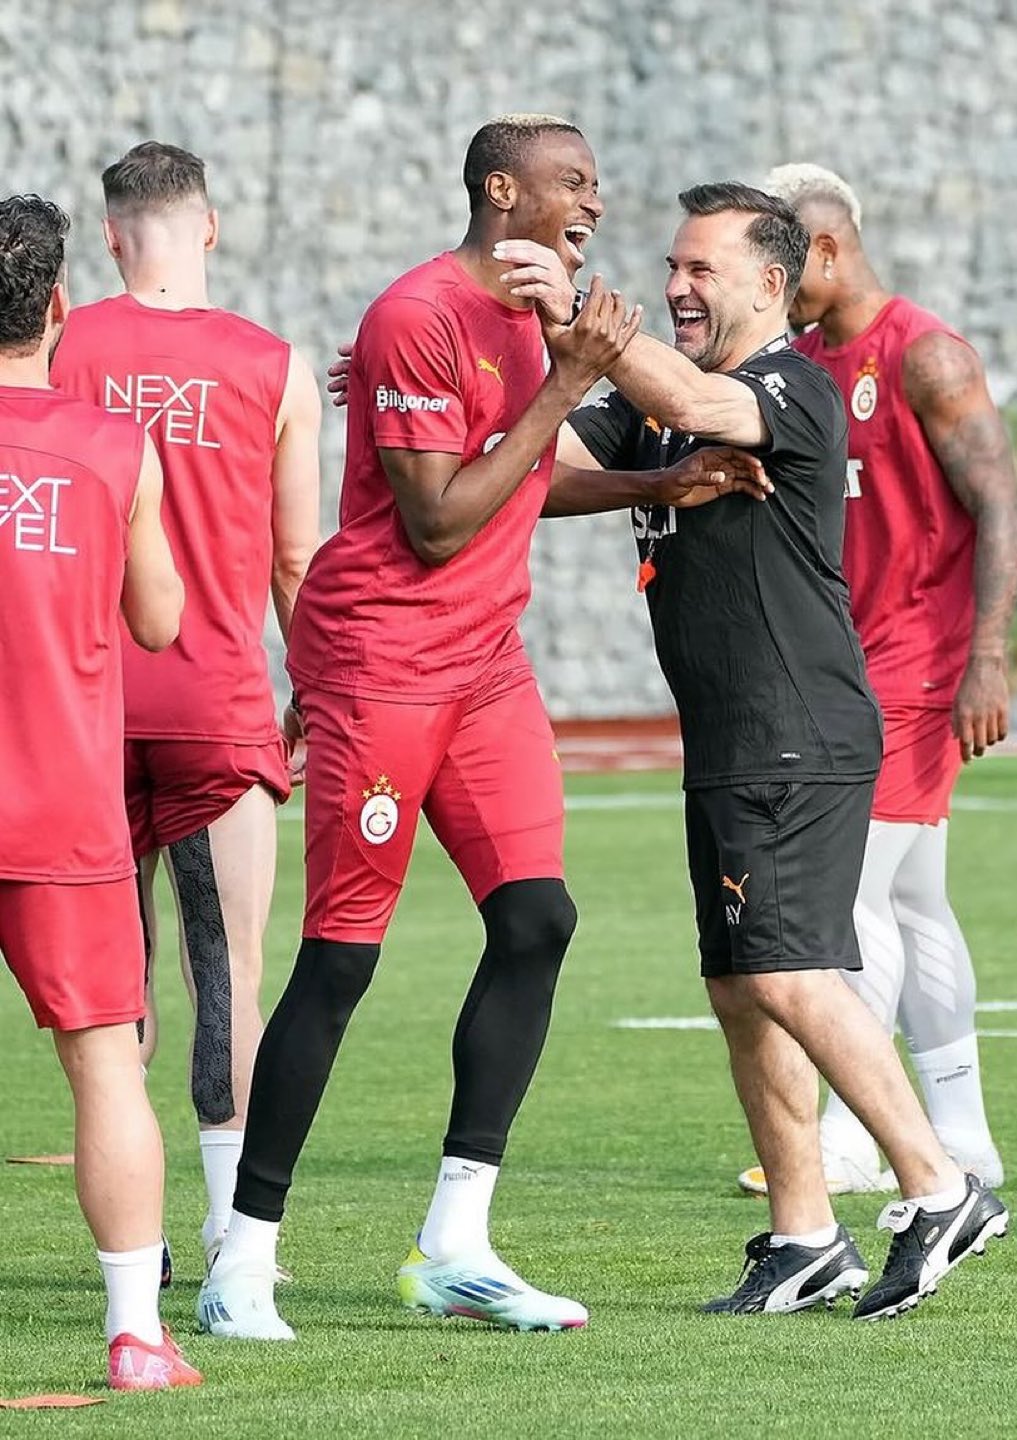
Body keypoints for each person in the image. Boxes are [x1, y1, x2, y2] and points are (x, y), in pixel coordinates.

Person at [197, 113, 693, 1341]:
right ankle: (241, 1259)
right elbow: (435, 522)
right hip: (383, 668)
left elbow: (517, 472)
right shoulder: (417, 313)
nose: (595, 200)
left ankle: (455, 1247)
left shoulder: (528, 314)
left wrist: (655, 481)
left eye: (597, 181)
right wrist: (571, 384)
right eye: (573, 180)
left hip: (483, 668)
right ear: (500, 191)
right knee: (342, 961)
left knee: (538, 921)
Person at [495, 181, 1009, 1320]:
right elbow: (532, 467)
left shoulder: (790, 388)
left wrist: (579, 315)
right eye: (671, 268)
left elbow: (687, 395)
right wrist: (488, 386)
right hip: (729, 737)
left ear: (772, 284)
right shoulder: (658, 406)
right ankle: (805, 1234)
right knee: (739, 987)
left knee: (785, 970)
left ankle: (941, 1186)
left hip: (797, 732)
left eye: (701, 270)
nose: (677, 287)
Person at [50, 142, 322, 1274]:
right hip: (218, 704)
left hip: (85, 713)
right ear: (209, 226)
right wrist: (312, 691)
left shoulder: (61, 346)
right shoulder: (277, 367)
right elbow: (297, 561)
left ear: (113, 236)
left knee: (115, 988)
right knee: (229, 975)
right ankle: (232, 1238)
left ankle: (140, 1239)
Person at [730, 164, 1017, 1200]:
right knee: (914, 898)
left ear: (825, 248)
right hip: (843, 664)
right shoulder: (803, 362)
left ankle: (858, 1137)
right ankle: (964, 1137)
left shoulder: (925, 354)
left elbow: (1002, 504)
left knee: (847, 895)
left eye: (780, 264)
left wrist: (988, 655)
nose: (769, 286)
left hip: (915, 668)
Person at [0, 193, 198, 1388]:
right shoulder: (115, 447)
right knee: (106, 1067)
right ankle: (135, 1335)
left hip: (60, 806)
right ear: (62, 306)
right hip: (63, 806)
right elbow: (161, 618)